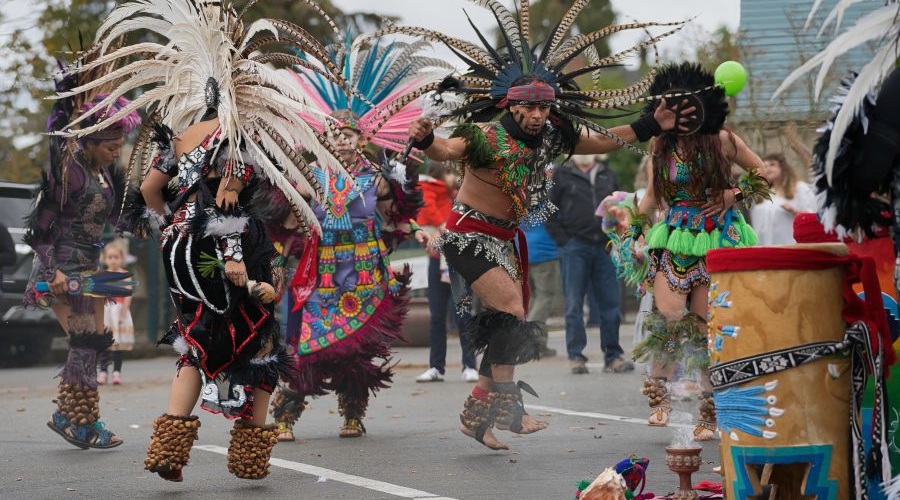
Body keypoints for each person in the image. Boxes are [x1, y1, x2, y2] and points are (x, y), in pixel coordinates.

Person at [73, 0, 358, 481]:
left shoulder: (181, 136)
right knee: (260, 340)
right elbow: (228, 204)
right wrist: (234, 262)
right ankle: (249, 456)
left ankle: (169, 446)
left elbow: (147, 190)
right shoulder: (235, 137)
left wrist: (175, 225)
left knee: (195, 339)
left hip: (178, 249)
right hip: (229, 248)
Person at [401, 2, 693, 450]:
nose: (538, 115)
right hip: (467, 234)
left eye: (543, 107)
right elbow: (447, 149)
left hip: (506, 239)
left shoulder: (555, 134)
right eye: (530, 108)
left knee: (505, 321)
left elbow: (599, 138)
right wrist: (425, 140)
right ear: (511, 106)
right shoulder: (486, 136)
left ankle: (477, 419)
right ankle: (511, 411)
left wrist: (652, 122)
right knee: (513, 315)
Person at [269, 35, 447, 441]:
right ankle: (285, 418)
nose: (341, 139)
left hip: (364, 271)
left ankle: (352, 414)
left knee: (356, 350)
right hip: (320, 274)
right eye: (334, 133)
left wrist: (416, 228)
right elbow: (288, 224)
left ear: (362, 138)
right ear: (324, 137)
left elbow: (398, 216)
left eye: (348, 133)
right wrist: (280, 259)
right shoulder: (310, 178)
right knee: (306, 344)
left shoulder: (377, 179)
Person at [610, 62, 771, 442]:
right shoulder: (659, 144)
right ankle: (660, 393)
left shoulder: (724, 140)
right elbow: (652, 197)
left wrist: (733, 195)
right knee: (667, 314)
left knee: (704, 325)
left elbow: (762, 172)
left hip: (718, 235)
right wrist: (633, 230)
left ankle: (709, 411)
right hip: (675, 236)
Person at [24, 80, 138, 449]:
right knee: (85, 342)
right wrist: (51, 271)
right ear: (89, 142)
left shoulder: (104, 175)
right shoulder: (69, 170)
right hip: (59, 269)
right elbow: (40, 226)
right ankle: (84, 424)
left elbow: (119, 220)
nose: (115, 152)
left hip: (90, 269)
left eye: (119, 146)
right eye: (110, 146)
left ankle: (69, 417)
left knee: (92, 344)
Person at [547, 154, 633, 375]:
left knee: (611, 305)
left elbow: (622, 207)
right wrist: (563, 240)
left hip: (604, 246)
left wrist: (619, 232)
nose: (584, 152)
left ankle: (613, 356)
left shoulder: (607, 174)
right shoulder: (562, 174)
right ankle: (576, 357)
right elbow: (547, 210)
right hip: (574, 246)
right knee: (574, 305)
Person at [416, 161, 479, 383]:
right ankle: (436, 366)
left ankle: (470, 365)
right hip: (437, 260)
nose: (452, 177)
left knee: (462, 315)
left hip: (459, 263)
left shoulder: (463, 194)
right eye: (449, 172)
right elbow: (426, 210)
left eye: (454, 172)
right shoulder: (431, 191)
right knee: (437, 316)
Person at [749, 153, 816, 245]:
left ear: (783, 169)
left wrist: (795, 210)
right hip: (767, 250)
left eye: (772, 164)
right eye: (764, 166)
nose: (767, 168)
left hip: (792, 247)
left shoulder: (799, 188)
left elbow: (815, 215)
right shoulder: (762, 195)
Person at [521, 220, 561, 358]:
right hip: (544, 253)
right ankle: (530, 341)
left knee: (533, 298)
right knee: (545, 297)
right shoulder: (548, 202)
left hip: (523, 250)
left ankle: (540, 345)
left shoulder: (522, 199)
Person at [98, 242, 134, 385]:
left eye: (116, 257)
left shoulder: (125, 275)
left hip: (118, 311)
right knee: (104, 343)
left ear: (121, 258)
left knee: (118, 344)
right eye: (110, 257)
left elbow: (128, 295)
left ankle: (117, 372)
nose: (113, 260)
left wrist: (123, 313)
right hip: (106, 311)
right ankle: (103, 371)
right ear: (105, 259)